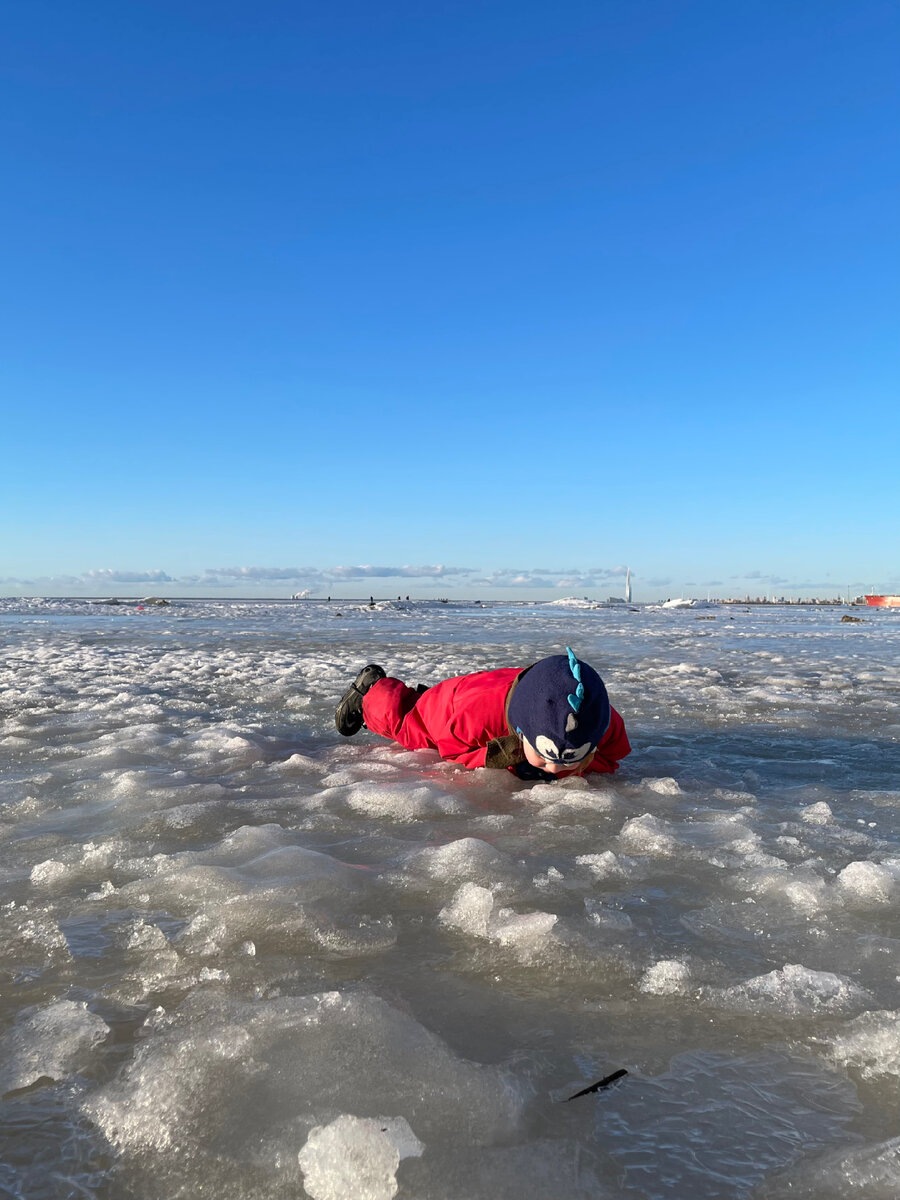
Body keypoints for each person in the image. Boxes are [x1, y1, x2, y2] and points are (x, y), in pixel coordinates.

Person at [335, 647, 630, 781]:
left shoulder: (601, 720)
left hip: (522, 692)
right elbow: (452, 752)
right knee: (407, 725)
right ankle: (373, 691)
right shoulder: (473, 718)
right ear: (521, 734)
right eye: (545, 757)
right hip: (455, 703)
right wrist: (497, 757)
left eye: (567, 760)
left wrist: (583, 765)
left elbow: (612, 757)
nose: (553, 771)